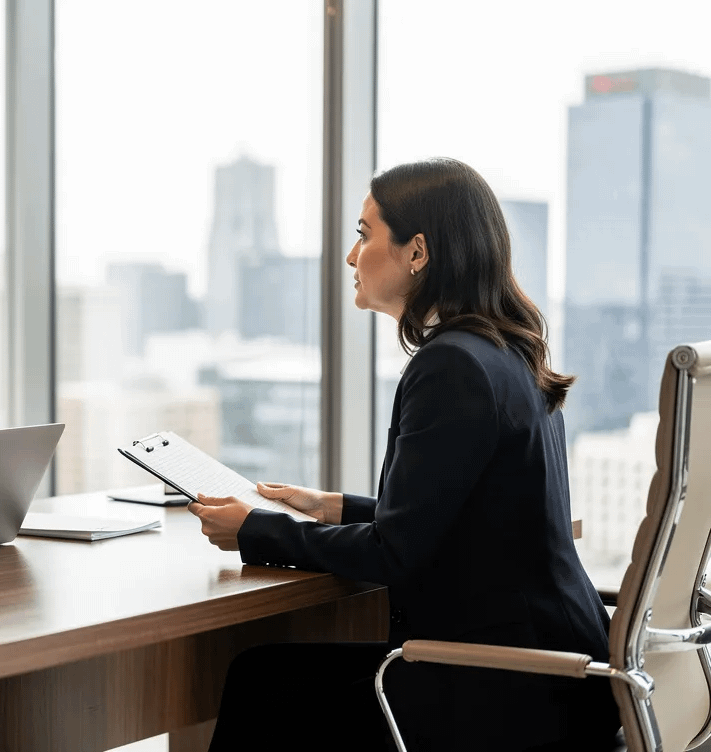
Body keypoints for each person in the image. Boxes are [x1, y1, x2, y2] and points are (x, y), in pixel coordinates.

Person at [189, 158, 620, 751]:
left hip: (508, 690)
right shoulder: (504, 353)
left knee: (259, 680)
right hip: (566, 675)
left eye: (365, 234)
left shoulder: (452, 365)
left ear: (417, 251)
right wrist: (339, 507)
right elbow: (460, 518)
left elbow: (397, 552)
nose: (351, 256)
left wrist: (254, 530)